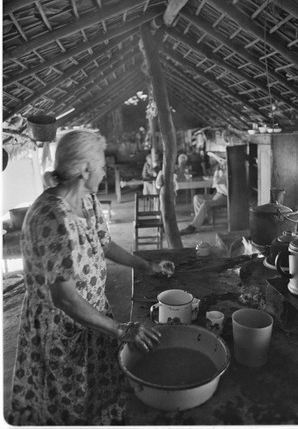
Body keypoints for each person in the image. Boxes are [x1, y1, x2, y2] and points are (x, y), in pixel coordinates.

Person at [9, 129, 174, 426]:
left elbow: (105, 243)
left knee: (99, 399)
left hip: (94, 320)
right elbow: (65, 299)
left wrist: (146, 266)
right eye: (100, 165)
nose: (104, 170)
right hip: (61, 333)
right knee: (69, 408)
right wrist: (122, 330)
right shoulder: (52, 218)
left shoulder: (87, 201)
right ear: (84, 169)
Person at [180, 156, 228, 234]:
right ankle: (203, 220)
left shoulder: (227, 172)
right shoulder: (222, 171)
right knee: (197, 197)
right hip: (217, 194)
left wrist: (217, 170)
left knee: (206, 204)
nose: (221, 165)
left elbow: (217, 181)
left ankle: (193, 226)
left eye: (222, 163)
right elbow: (215, 182)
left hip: (225, 198)